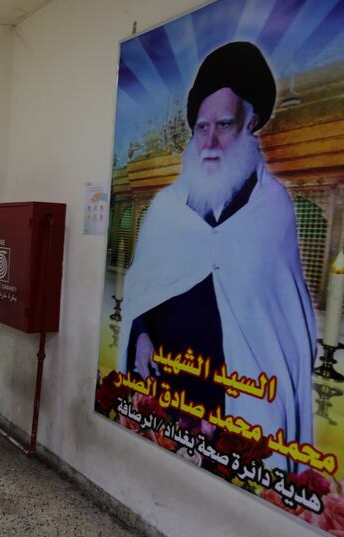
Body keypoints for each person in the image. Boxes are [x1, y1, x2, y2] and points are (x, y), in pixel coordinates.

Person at [119, 42, 316, 465]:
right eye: (202, 126)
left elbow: (283, 322)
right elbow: (141, 291)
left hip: (240, 400)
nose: (209, 141)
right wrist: (141, 334)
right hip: (168, 386)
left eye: (224, 124)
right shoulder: (168, 208)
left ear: (252, 122)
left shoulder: (272, 208)